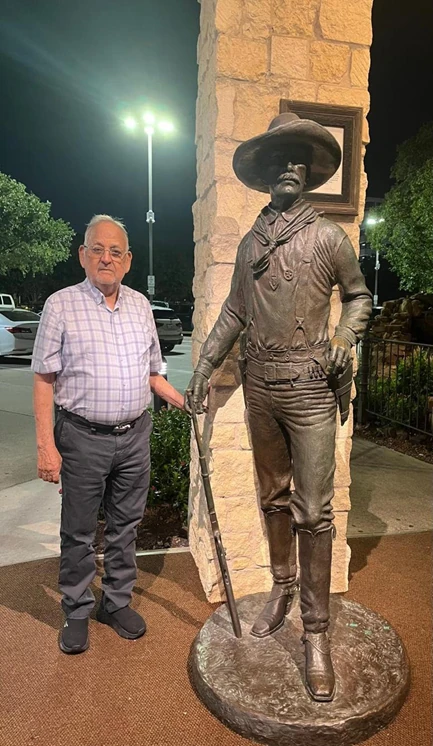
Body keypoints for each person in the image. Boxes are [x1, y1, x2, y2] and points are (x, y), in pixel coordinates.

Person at [186, 113, 372, 702]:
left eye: (300, 158)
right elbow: (235, 316)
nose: (289, 167)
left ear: (310, 172)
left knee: (313, 511)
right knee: (272, 498)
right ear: (267, 173)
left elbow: (359, 297)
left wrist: (343, 340)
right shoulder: (249, 245)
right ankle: (280, 589)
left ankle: (315, 634)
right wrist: (202, 369)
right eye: (280, 159)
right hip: (261, 389)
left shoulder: (326, 237)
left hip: (312, 390)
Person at [32, 214, 184, 655]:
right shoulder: (61, 305)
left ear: (128, 260)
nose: (106, 258)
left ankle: (115, 603)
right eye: (97, 249)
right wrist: (46, 447)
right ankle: (77, 608)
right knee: (79, 530)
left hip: (135, 436)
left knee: (126, 526)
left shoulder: (140, 306)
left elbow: (154, 373)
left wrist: (185, 401)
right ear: (82, 255)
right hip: (82, 437)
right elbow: (43, 379)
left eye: (115, 251)